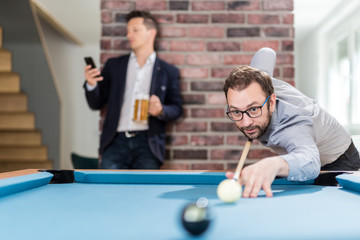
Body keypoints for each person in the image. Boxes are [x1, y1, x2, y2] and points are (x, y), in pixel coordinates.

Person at [223, 48, 360, 198]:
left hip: (339, 162)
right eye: (236, 112)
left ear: (272, 102)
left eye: (254, 109)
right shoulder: (260, 81)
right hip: (305, 154)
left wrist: (273, 164)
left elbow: (310, 161)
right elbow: (267, 53)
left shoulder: (293, 124)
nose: (246, 122)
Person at [84, 10, 183, 169]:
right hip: (115, 142)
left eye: (135, 30)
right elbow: (96, 103)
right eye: (128, 31)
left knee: (144, 192)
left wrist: (161, 110)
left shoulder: (168, 71)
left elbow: (177, 109)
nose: (129, 35)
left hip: (148, 144)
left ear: (151, 33)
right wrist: (91, 84)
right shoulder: (114, 66)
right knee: (108, 190)